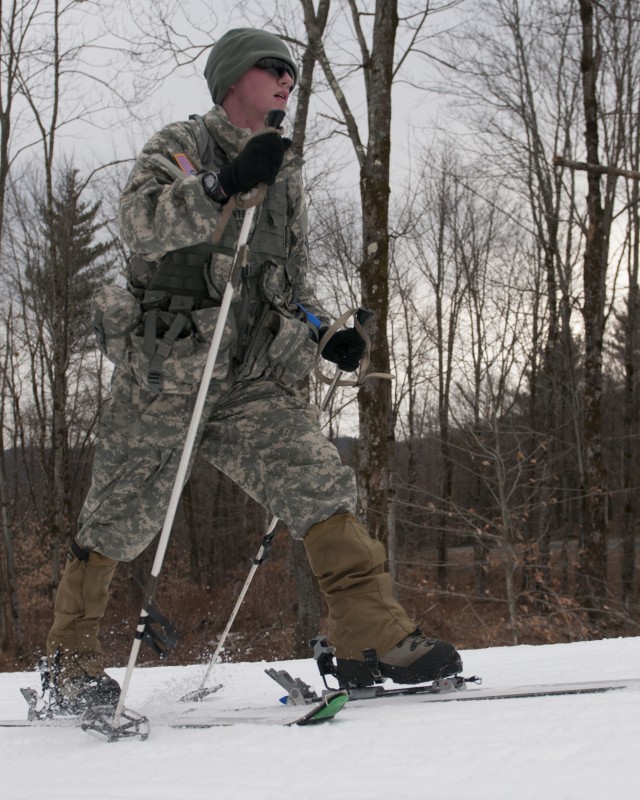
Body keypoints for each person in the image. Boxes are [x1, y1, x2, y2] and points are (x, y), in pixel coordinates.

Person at [46, 28, 462, 711]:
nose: (287, 83)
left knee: (319, 482)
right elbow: (142, 223)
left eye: (293, 77)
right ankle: (67, 664)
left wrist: (326, 332)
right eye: (275, 70)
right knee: (115, 519)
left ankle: (373, 639)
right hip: (168, 375)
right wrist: (221, 185)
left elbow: (278, 281)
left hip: (249, 381)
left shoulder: (285, 171)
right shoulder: (180, 147)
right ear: (233, 77)